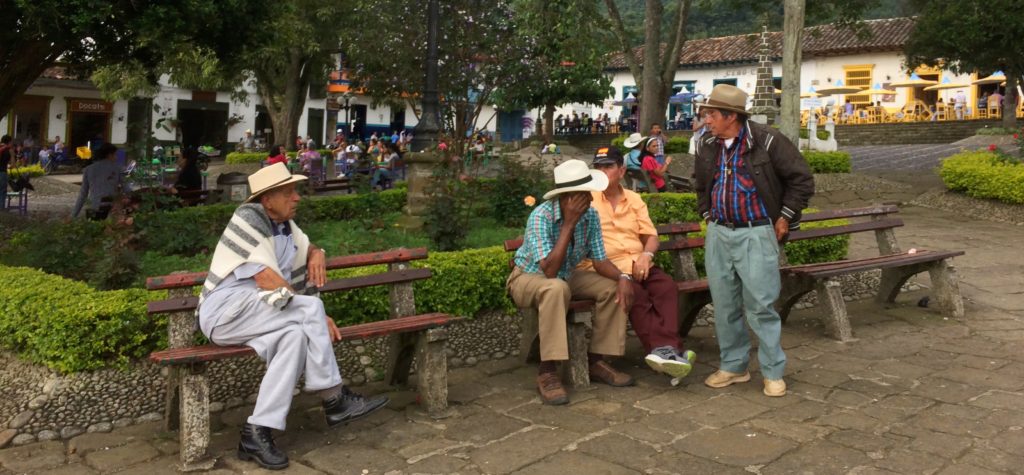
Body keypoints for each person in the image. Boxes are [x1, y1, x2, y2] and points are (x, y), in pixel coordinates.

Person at [197, 163, 388, 469]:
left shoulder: (287, 228)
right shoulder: (248, 219)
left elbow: (305, 247)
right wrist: (311, 313)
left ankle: (256, 432)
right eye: (288, 192)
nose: (296, 197)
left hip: (258, 313)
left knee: (295, 338)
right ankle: (334, 398)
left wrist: (317, 253)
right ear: (266, 200)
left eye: (295, 191)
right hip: (224, 313)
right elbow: (266, 280)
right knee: (311, 309)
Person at [693, 84, 814, 397]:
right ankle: (733, 366)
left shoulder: (768, 140)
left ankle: (773, 371)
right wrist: (706, 215)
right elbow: (701, 184)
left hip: (757, 231)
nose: (706, 120)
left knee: (761, 305)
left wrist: (784, 217)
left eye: (712, 115)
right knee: (724, 304)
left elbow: (801, 179)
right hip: (719, 232)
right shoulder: (707, 143)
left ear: (731, 116)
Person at [507, 159, 636, 405]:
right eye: (582, 194)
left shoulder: (590, 216)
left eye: (588, 192)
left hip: (565, 276)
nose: (589, 197)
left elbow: (599, 261)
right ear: (567, 197)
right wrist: (568, 224)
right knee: (556, 288)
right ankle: (547, 371)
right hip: (528, 277)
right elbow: (550, 270)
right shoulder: (541, 217)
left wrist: (623, 277)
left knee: (611, 288)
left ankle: (597, 360)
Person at [581, 146, 697, 378]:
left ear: (621, 170)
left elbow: (650, 236)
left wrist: (647, 255)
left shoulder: (633, 199)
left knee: (666, 287)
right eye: (598, 167)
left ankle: (667, 352)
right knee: (636, 296)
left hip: (638, 263)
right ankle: (667, 350)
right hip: (606, 268)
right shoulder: (586, 199)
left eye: (608, 166)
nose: (602, 172)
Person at [72, 143, 123, 220]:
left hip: (93, 208)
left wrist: (73, 214)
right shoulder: (117, 168)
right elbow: (127, 189)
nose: (116, 158)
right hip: (111, 209)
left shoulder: (88, 169)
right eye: (115, 155)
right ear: (109, 155)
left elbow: (83, 194)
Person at [0, 135, 13, 210]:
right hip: (2, 173)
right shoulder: (9, 150)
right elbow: (13, 165)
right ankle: (1, 209)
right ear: (9, 142)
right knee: (2, 191)